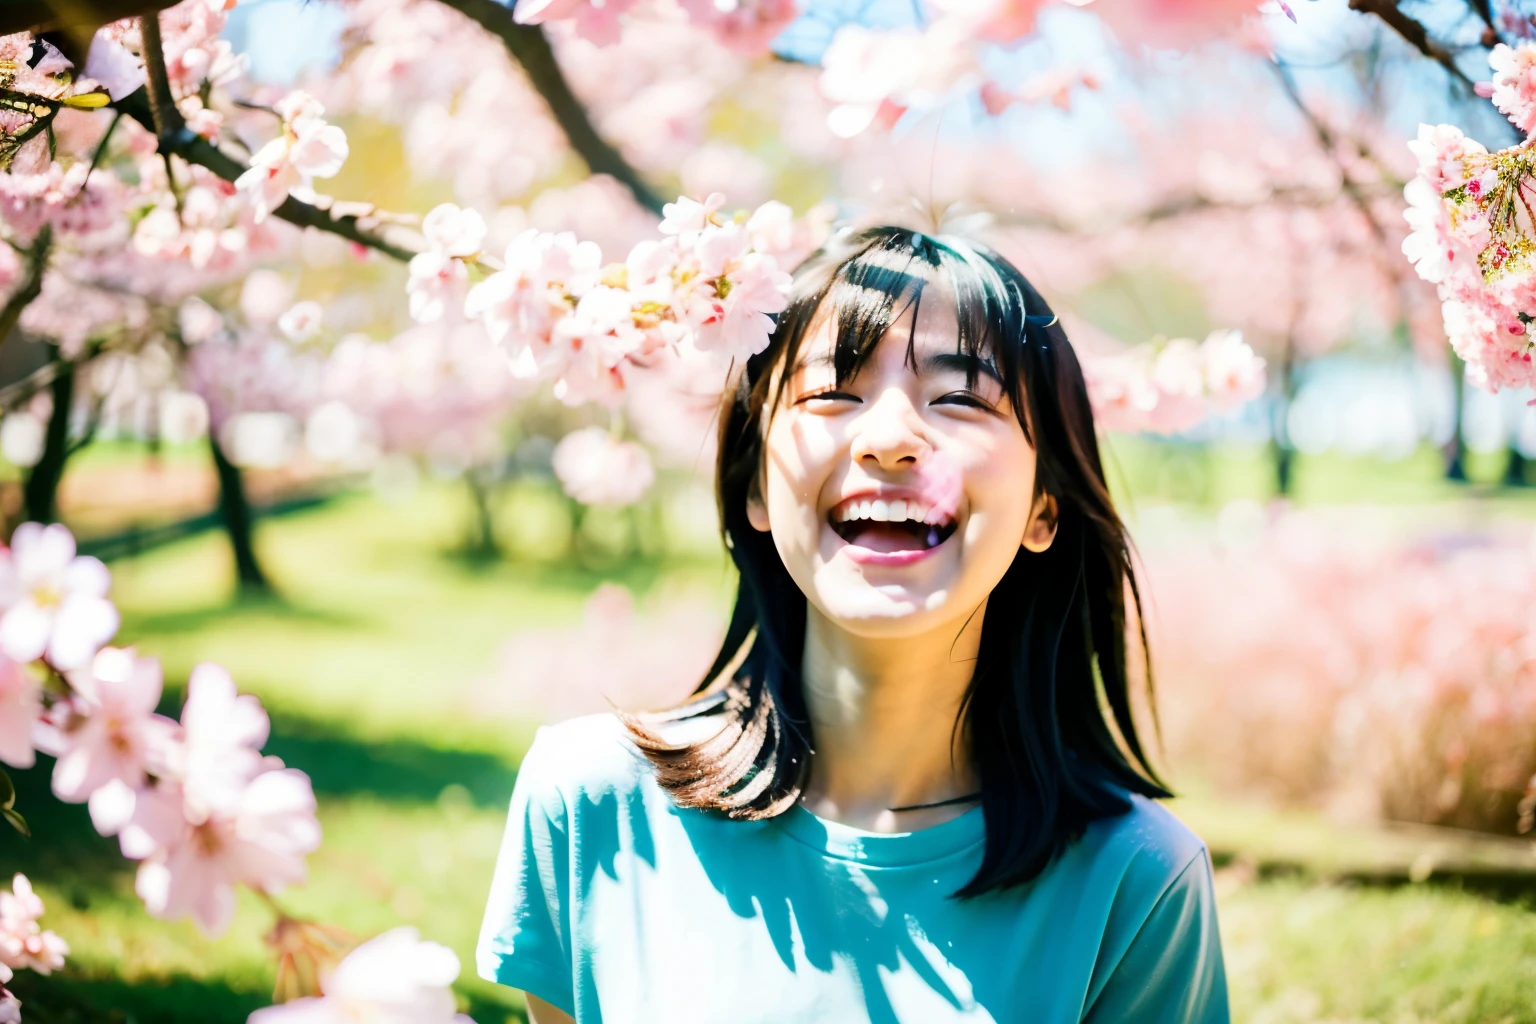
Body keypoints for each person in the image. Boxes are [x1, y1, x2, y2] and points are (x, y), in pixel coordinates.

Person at [476, 226, 1230, 1023]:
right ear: (755, 489)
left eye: (963, 398)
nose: (894, 439)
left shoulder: (1137, 884)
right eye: (832, 393)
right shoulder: (589, 805)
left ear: (1045, 506)